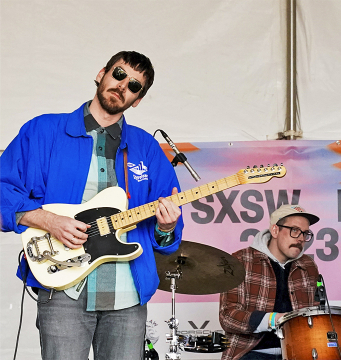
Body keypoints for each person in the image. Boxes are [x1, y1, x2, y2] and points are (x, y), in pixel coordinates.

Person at [0, 51, 184, 360]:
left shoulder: (147, 149)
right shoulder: (43, 131)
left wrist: (166, 227)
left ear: (137, 100)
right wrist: (47, 220)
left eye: (135, 86)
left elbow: (167, 236)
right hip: (62, 286)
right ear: (101, 73)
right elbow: (3, 188)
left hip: (127, 296)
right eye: (119, 74)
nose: (123, 85)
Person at [219, 204, 321, 360]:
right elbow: (228, 317)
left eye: (305, 233)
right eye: (295, 230)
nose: (301, 238)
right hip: (250, 352)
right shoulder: (240, 261)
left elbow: (317, 314)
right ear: (275, 230)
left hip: (300, 352)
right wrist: (274, 320)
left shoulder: (308, 265)